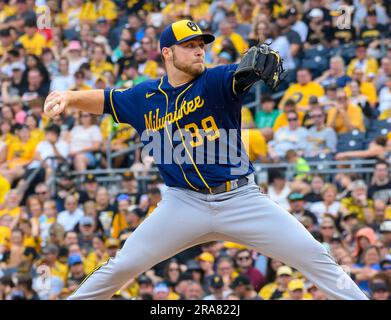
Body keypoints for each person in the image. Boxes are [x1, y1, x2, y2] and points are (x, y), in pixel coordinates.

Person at [44, 19, 367, 300]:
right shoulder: (142, 97)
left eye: (201, 45)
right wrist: (69, 97)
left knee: (314, 256)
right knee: (123, 265)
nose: (199, 50)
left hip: (240, 199)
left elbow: (238, 76)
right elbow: (105, 100)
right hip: (183, 204)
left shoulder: (215, 80)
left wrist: (255, 69)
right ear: (167, 52)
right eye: (189, 45)